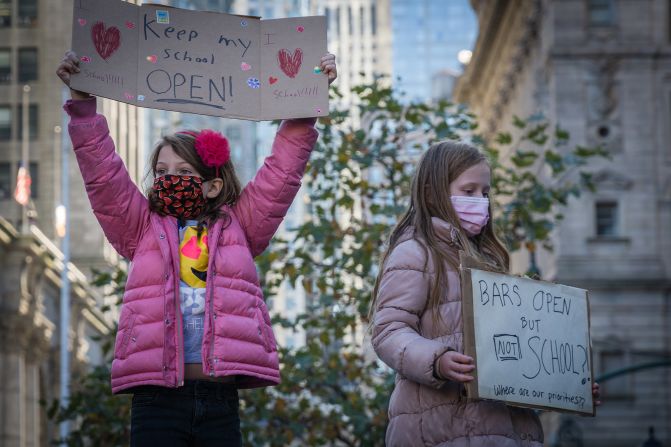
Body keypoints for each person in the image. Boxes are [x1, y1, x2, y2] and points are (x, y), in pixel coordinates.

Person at [56, 50, 337, 446]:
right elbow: (103, 175)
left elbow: (281, 172)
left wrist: (304, 107)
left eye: (185, 172)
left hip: (220, 400)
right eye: (163, 172)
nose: (171, 179)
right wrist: (83, 108)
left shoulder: (241, 225)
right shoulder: (139, 227)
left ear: (213, 185)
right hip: (155, 401)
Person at [369, 141, 601, 446]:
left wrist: (570, 386)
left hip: (507, 429)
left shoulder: (488, 262)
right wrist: (437, 360)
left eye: (485, 192)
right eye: (469, 191)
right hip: (441, 429)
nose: (481, 200)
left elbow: (518, 351)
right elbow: (387, 331)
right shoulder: (415, 254)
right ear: (431, 192)